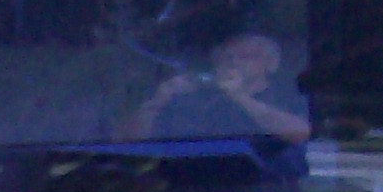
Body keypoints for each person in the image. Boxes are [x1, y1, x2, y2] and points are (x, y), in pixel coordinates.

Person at [117, 31, 311, 145]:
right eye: (227, 57)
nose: (233, 62)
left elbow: (300, 133)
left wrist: (239, 97)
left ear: (271, 63)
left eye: (244, 56)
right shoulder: (193, 98)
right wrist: (159, 99)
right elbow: (127, 140)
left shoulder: (289, 93)